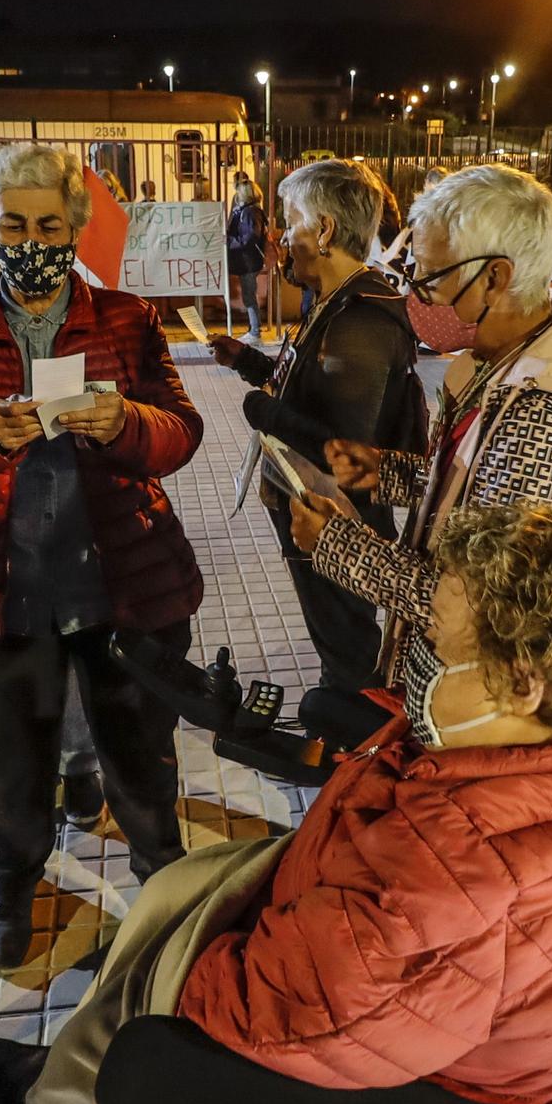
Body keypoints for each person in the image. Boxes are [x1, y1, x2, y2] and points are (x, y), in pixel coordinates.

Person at [0, 503, 552, 1104]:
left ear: (526, 682)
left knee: (134, 1020)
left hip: (387, 1077)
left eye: (443, 647)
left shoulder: (448, 876)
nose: (423, 664)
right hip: (395, 996)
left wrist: (198, 960)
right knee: (181, 904)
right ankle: (51, 1073)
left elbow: (276, 1010)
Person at [0, 143, 204, 971]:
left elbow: (182, 432)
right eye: (14, 224)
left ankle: (163, 879)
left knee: (141, 751)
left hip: (124, 578)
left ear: (74, 227)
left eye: (48, 222)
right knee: (10, 761)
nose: (31, 238)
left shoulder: (127, 320)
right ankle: (11, 879)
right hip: (1, 586)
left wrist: (125, 425)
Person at [291, 164, 552, 744]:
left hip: (497, 716)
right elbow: (480, 489)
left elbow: (480, 610)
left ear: (495, 278)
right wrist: (391, 472)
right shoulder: (507, 362)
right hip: (463, 691)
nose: (411, 291)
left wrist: (338, 546)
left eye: (427, 275)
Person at [207, 160, 426, 727]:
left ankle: (356, 736)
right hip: (309, 502)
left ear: (324, 231)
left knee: (343, 633)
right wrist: (250, 363)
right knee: (332, 626)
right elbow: (310, 387)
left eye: (291, 221)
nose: (280, 236)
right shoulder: (335, 300)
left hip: (337, 512)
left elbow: (342, 445)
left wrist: (264, 412)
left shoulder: (362, 318)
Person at [223, 175, 267, 340]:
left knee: (249, 296)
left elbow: (249, 238)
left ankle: (255, 332)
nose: (236, 195)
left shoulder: (249, 212)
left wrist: (229, 241)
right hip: (247, 260)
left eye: (239, 192)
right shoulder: (247, 211)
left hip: (249, 261)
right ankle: (253, 329)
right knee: (248, 295)